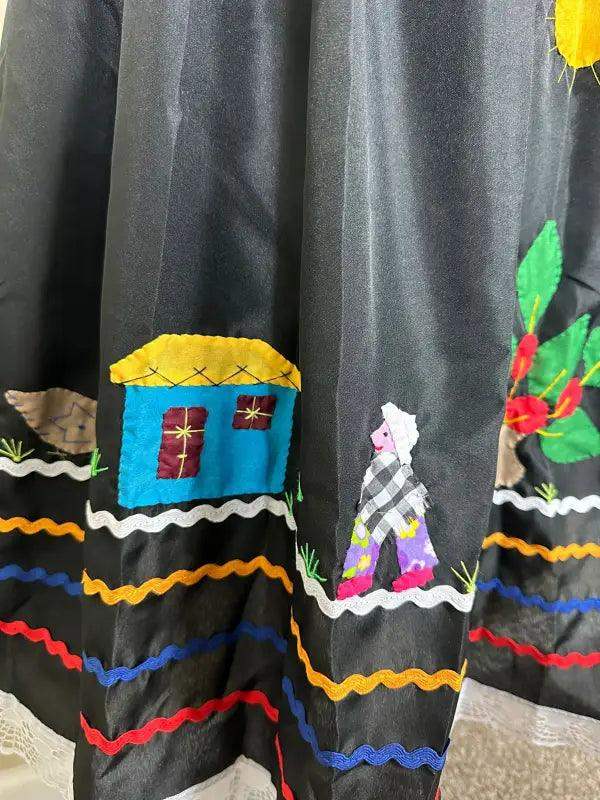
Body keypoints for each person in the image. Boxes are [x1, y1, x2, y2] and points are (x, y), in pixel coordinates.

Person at [337, 403, 439, 600]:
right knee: (364, 533)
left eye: (385, 434)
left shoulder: (396, 462)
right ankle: (359, 576)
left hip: (403, 503)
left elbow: (401, 481)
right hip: (376, 505)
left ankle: (419, 570)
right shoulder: (378, 461)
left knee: (410, 531)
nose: (375, 436)